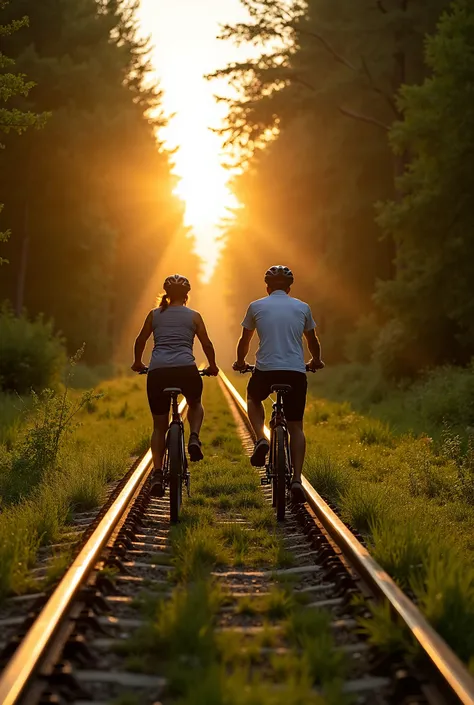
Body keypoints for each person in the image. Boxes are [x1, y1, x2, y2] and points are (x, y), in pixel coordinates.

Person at [233, 265, 324, 503]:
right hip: (295, 372)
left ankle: (261, 439)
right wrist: (315, 360)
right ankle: (296, 479)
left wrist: (241, 361)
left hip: (265, 371)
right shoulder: (302, 307)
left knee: (253, 398)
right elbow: (312, 340)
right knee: (296, 427)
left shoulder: (256, 306)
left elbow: (245, 339)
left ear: (268, 287)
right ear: (289, 288)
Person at [132, 274, 219, 494]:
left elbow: (141, 340)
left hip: (158, 372)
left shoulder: (154, 315)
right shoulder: (194, 316)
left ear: (166, 294)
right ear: (187, 295)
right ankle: (194, 438)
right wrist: (212, 366)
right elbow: (206, 343)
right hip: (186, 370)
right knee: (195, 402)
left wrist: (138, 362)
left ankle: (159, 473)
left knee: (159, 426)